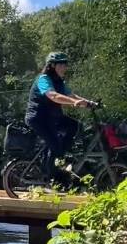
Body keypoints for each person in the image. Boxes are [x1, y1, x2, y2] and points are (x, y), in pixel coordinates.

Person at [25, 52, 95, 181]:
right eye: (61, 64)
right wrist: (74, 103)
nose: (64, 67)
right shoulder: (43, 79)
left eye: (65, 64)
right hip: (38, 118)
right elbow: (53, 96)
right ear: (51, 66)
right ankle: (49, 175)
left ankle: (59, 154)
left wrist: (90, 103)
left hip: (52, 117)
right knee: (55, 145)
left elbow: (72, 95)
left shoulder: (59, 81)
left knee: (74, 125)